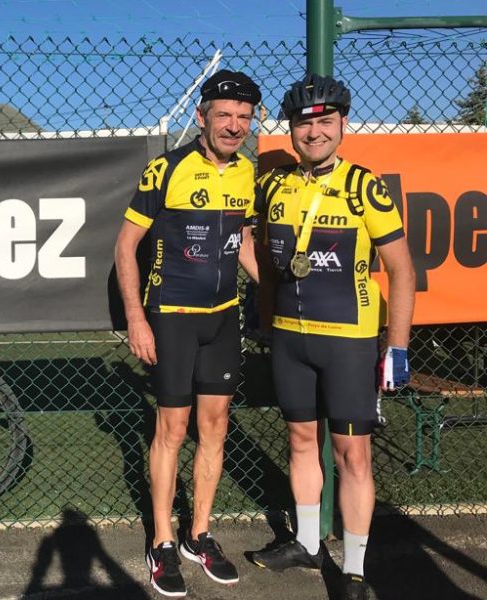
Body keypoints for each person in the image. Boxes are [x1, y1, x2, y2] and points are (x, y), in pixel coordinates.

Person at [249, 74, 416, 600]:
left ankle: (355, 571)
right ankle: (306, 542)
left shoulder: (365, 186)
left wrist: (397, 346)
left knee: (352, 456)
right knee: (301, 442)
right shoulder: (273, 185)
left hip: (348, 341)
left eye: (325, 122)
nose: (314, 132)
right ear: (291, 130)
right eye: (304, 124)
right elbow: (261, 255)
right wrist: (268, 308)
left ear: (343, 124)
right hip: (290, 339)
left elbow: (402, 270)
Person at [114, 69, 261, 597]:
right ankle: (162, 540)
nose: (234, 125)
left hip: (223, 318)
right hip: (172, 317)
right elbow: (125, 245)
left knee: (215, 427)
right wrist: (136, 318)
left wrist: (275, 293)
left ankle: (199, 534)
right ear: (202, 117)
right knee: (172, 430)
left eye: (243, 117)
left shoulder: (247, 172)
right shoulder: (167, 169)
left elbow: (244, 242)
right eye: (224, 115)